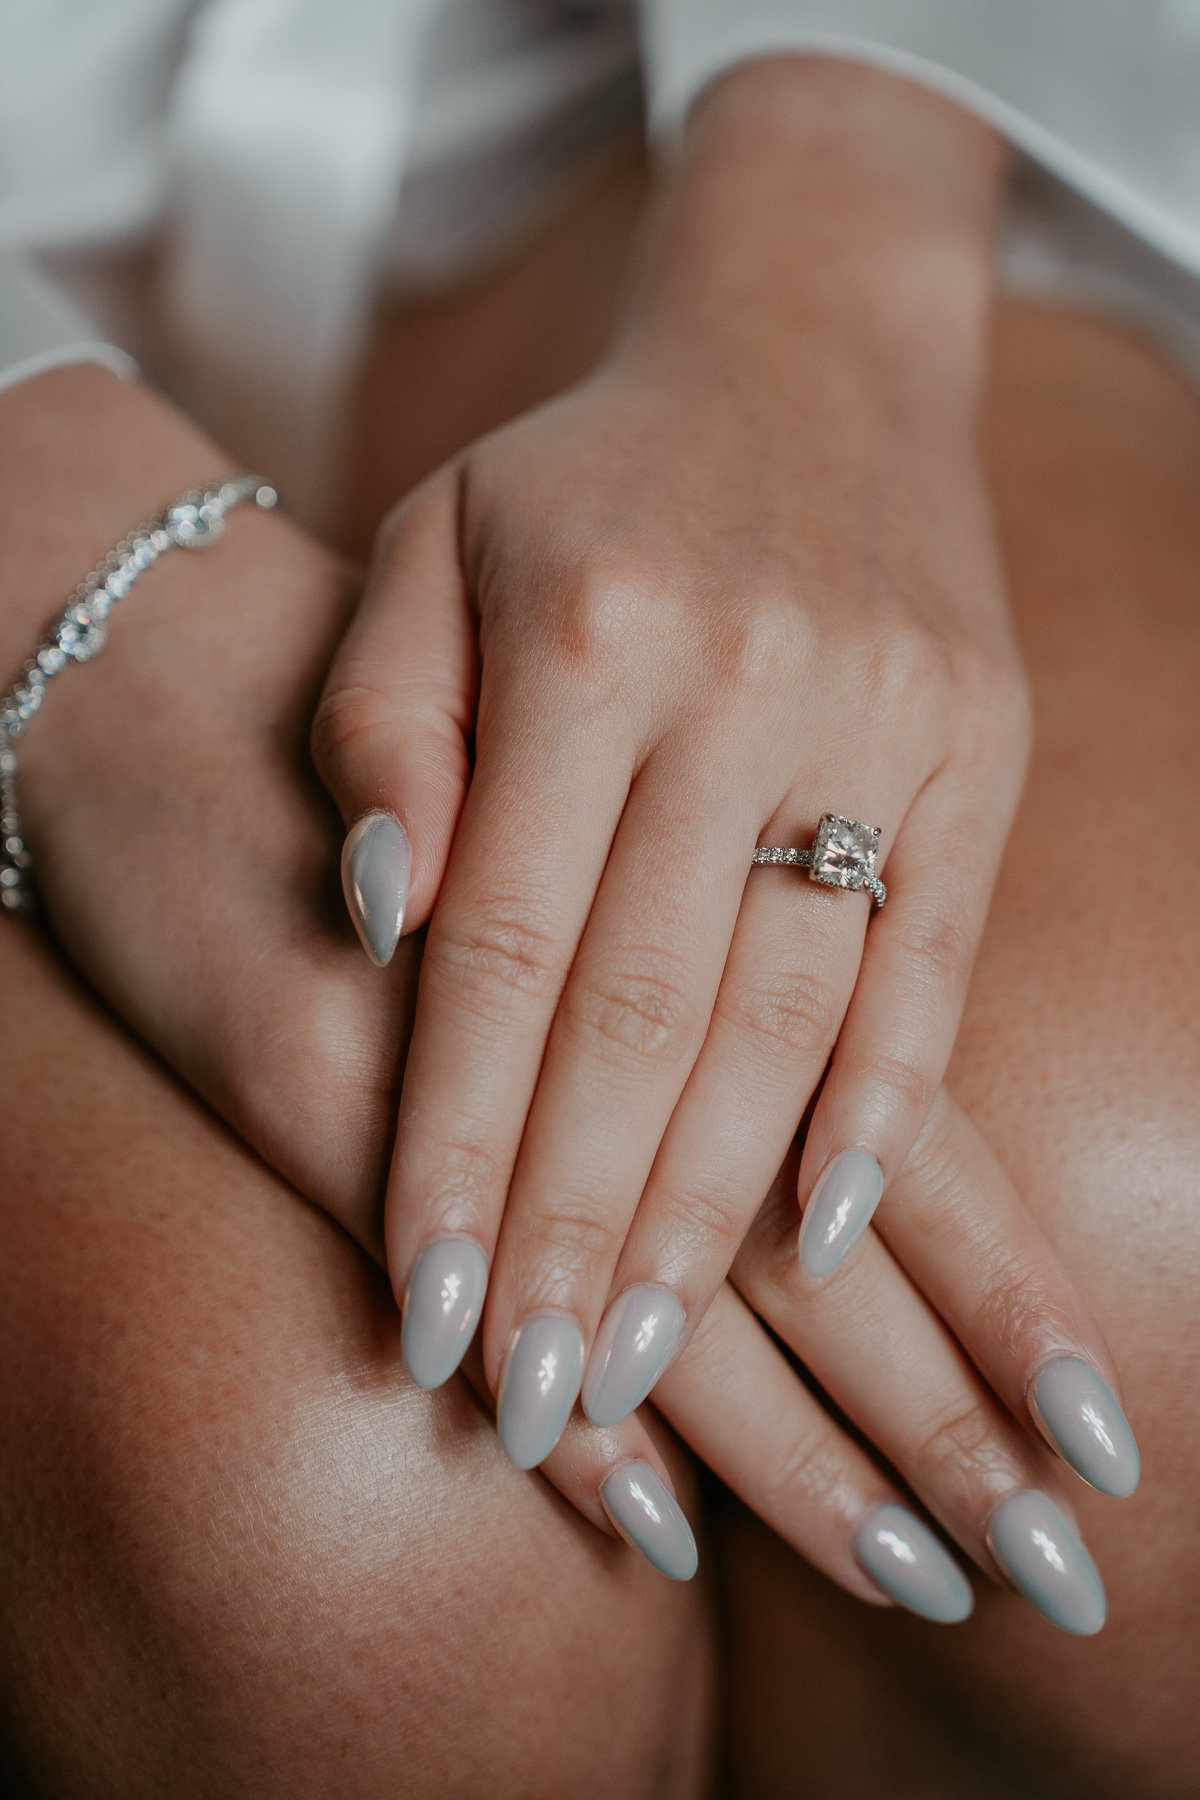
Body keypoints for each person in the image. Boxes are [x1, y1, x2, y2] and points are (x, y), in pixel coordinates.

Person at [0, 6, 1197, 1793]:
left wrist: (829, 234)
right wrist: (68, 562)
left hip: (626, 105)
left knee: (1133, 1216)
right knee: (340, 1555)